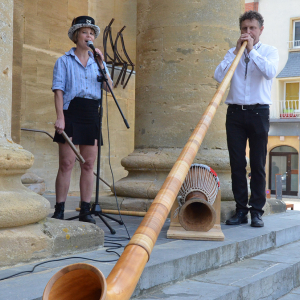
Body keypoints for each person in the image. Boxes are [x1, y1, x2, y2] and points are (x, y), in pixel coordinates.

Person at [214, 11, 279, 227]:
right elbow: (218, 76)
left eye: (252, 28)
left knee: (258, 163)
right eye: (244, 28)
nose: (248, 32)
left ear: (260, 30)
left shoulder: (270, 51)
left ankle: (257, 211)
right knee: (237, 164)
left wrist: (252, 51)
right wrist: (236, 52)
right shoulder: (232, 52)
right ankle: (241, 210)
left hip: (259, 111)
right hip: (235, 113)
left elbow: (270, 72)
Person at [51, 16, 113, 223]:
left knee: (88, 164)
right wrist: (60, 117)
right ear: (76, 35)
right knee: (67, 163)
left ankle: (85, 209)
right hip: (72, 110)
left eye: (92, 33)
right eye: (85, 32)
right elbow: (58, 90)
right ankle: (59, 209)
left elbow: (109, 88)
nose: (89, 36)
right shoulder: (64, 61)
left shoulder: (98, 63)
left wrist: (102, 63)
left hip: (91, 112)